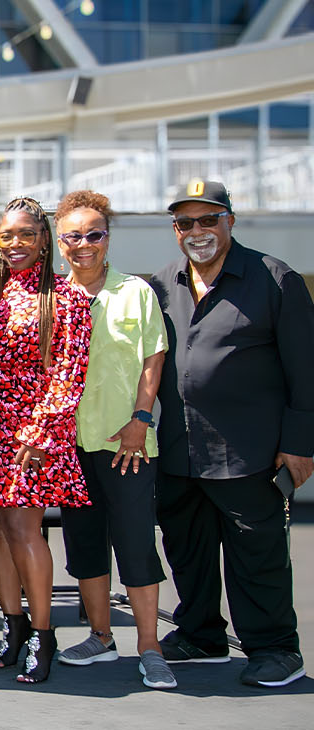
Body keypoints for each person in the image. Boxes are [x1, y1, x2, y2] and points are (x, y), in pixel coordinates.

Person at [150, 178, 312, 688]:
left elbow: (305, 371)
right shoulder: (160, 283)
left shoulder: (274, 279)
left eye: (208, 219)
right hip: (180, 449)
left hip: (248, 450)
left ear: (230, 221)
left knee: (256, 556)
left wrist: (301, 444)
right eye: (185, 223)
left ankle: (275, 648)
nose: (197, 231)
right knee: (187, 549)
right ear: (175, 231)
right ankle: (201, 634)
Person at [49, 189, 175, 689]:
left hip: (128, 445)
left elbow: (153, 358)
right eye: (73, 236)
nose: (84, 244)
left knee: (136, 544)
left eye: (94, 234)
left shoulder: (135, 292)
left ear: (108, 238)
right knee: (84, 545)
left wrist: (140, 419)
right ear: (60, 242)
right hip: (71, 445)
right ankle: (100, 637)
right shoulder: (51, 297)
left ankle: (150, 646)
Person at [0, 196, 92, 684]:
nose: (16, 243)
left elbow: (70, 372)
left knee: (25, 530)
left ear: (45, 238)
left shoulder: (67, 297)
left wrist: (41, 430)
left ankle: (45, 637)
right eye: (7, 236)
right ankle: (15, 627)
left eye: (26, 234)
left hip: (34, 434)